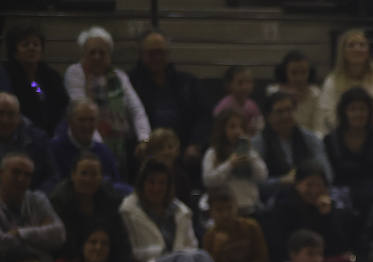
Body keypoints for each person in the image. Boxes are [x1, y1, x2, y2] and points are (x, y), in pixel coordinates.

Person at [119, 159, 232, 262]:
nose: (156, 188)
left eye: (161, 183)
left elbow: (191, 245)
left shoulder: (180, 211)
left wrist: (179, 254)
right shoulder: (128, 211)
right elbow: (130, 251)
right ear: (142, 184)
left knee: (202, 256)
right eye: (151, 182)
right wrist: (169, 254)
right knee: (184, 259)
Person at [63, 27, 149, 173]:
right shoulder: (75, 73)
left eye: (102, 53)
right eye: (92, 52)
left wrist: (144, 139)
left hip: (120, 145)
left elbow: (137, 109)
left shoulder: (119, 76)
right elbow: (82, 113)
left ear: (109, 55)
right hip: (88, 146)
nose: (97, 57)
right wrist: (101, 150)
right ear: (83, 54)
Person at [127, 30, 208, 173]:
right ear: (141, 54)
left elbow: (204, 117)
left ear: (168, 53)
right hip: (145, 152)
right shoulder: (129, 83)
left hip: (183, 153)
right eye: (151, 53)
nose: (157, 58)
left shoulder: (189, 82)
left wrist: (195, 145)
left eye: (161, 52)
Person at [318, 30, 373, 152]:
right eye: (352, 45)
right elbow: (327, 110)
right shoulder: (332, 80)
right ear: (343, 51)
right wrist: (349, 126)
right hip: (342, 130)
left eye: (362, 45)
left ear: (368, 50)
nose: (357, 49)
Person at [46, 152, 131, 262]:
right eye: (84, 173)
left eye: (94, 174)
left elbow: (119, 236)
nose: (88, 179)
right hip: (71, 260)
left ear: (101, 177)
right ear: (73, 175)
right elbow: (62, 243)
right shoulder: (59, 201)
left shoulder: (109, 197)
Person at [323, 87, 373, 215]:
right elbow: (329, 176)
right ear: (344, 112)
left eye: (362, 109)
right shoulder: (331, 140)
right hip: (340, 196)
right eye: (353, 109)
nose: (358, 114)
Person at [254, 91, 332, 202]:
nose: (286, 116)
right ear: (268, 116)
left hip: (309, 196)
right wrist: (280, 181)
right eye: (280, 112)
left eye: (289, 110)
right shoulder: (258, 143)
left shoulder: (310, 138)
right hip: (273, 199)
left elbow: (327, 173)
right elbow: (253, 185)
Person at [205, 187, 274, 262]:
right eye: (219, 210)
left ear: (236, 207)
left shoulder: (251, 227)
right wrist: (217, 250)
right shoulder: (209, 237)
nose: (226, 214)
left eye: (229, 208)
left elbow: (262, 259)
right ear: (211, 213)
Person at [0, 152, 64, 262]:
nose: (21, 179)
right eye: (16, 172)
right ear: (1, 174)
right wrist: (40, 233)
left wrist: (20, 233)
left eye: (27, 175)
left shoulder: (37, 199)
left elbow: (59, 235)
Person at [4, 24, 69, 136]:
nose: (32, 48)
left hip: (50, 134)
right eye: (25, 45)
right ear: (14, 52)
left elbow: (57, 102)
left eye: (36, 44)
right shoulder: (6, 74)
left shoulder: (49, 75)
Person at [203, 109, 268, 215]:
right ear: (222, 130)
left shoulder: (250, 152)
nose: (238, 131)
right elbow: (208, 180)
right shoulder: (213, 153)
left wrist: (251, 157)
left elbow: (262, 176)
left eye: (241, 127)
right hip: (224, 210)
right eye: (232, 127)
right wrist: (230, 164)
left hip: (250, 207)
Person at [48, 99, 120, 185]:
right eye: (81, 120)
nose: (87, 125)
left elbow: (116, 183)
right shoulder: (54, 149)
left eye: (91, 120)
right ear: (70, 121)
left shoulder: (104, 152)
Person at [0, 92, 55, 191]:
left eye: (10, 114)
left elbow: (52, 177)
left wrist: (33, 198)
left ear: (19, 117)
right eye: (1, 113)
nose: (5, 120)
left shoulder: (38, 140)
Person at [268, 50, 326, 137]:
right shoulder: (273, 92)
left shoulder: (316, 94)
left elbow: (319, 128)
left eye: (304, 72)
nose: (299, 78)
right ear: (285, 73)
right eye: (294, 73)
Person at [213, 65, 263, 137]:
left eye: (249, 82)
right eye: (240, 83)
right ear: (229, 85)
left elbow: (259, 127)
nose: (245, 87)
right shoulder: (223, 107)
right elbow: (217, 132)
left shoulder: (252, 105)